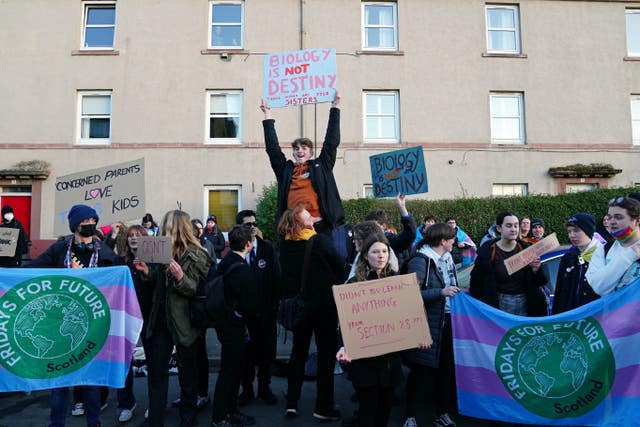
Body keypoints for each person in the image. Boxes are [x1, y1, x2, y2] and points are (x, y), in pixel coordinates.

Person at [29, 204, 123, 427]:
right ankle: (57, 423)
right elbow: (33, 269)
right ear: (74, 225)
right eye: (85, 221)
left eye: (93, 220)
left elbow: (118, 274)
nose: (90, 224)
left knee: (90, 381)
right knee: (60, 382)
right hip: (60, 325)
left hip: (91, 324)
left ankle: (94, 422)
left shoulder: (103, 251)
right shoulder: (60, 249)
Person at [337, 236, 430, 427]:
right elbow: (346, 322)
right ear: (365, 256)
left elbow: (410, 313)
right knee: (367, 410)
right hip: (365, 361)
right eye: (375, 252)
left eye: (384, 252)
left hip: (390, 360)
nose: (381, 256)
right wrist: (344, 346)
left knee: (385, 409)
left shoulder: (398, 282)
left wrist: (419, 335)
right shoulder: (354, 284)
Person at [278, 205, 346, 420]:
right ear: (300, 223)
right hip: (323, 307)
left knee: (298, 352)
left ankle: (291, 402)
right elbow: (341, 270)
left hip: (298, 308)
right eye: (308, 216)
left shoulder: (285, 245)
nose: (313, 217)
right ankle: (323, 407)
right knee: (326, 356)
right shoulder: (319, 241)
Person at [144, 210, 211, 427]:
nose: (162, 230)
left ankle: (188, 420)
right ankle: (155, 420)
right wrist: (147, 271)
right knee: (156, 373)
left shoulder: (198, 253)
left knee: (188, 375)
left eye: (166, 225)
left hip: (185, 321)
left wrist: (181, 277)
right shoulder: (158, 249)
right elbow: (157, 284)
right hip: (160, 320)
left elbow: (196, 289)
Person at [403, 223, 461, 427]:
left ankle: (441, 413)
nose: (455, 241)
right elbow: (410, 296)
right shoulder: (420, 262)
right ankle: (410, 416)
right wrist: (441, 292)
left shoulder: (448, 259)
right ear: (443, 241)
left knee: (445, 371)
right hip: (426, 325)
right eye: (452, 238)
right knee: (421, 373)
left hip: (447, 323)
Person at [261, 92, 344, 234]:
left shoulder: (321, 166)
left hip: (320, 227)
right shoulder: (286, 170)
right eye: (296, 148)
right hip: (293, 228)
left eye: (304, 148)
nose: (300, 151)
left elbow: (331, 142)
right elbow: (273, 149)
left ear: (311, 153)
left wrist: (335, 107)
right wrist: (267, 113)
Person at [210, 225, 259, 427]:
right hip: (235, 326)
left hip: (223, 322)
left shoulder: (225, 262)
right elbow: (250, 305)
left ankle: (230, 411)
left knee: (231, 370)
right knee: (230, 371)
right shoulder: (243, 270)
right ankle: (221, 416)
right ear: (248, 244)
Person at [235, 210, 281, 406]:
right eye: (247, 224)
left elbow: (276, 277)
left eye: (254, 223)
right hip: (245, 315)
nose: (252, 227)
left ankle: (264, 388)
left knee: (267, 353)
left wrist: (273, 306)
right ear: (239, 227)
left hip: (265, 313)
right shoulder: (236, 252)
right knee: (246, 354)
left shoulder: (266, 248)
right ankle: (247, 390)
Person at [114, 224, 157, 422]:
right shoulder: (119, 261)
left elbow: (159, 285)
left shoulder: (154, 259)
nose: (133, 238)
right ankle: (126, 403)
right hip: (125, 317)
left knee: (154, 362)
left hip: (148, 316)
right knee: (124, 362)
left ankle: (155, 403)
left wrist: (147, 271)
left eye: (137, 235)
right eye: (130, 235)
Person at [470, 211, 548, 316]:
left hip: (526, 305)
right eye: (509, 225)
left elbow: (540, 282)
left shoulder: (526, 249)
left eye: (516, 226)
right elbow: (476, 283)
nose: (513, 229)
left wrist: (536, 269)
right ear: (499, 228)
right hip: (497, 306)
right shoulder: (487, 251)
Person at [586, 197, 640, 295]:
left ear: (637, 221)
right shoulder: (603, 249)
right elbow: (599, 287)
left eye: (618, 217)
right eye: (610, 217)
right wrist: (630, 254)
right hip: (613, 310)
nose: (612, 222)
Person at [552, 213, 600, 314]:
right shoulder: (569, 257)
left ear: (588, 231)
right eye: (569, 231)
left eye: (576, 230)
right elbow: (559, 292)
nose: (571, 235)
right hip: (570, 320)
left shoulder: (602, 255)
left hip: (594, 320)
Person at [364, 193, 416, 265]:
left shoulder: (390, 239)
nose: (370, 229)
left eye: (373, 226)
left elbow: (410, 235)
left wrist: (402, 208)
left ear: (383, 226)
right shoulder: (366, 241)